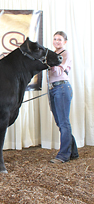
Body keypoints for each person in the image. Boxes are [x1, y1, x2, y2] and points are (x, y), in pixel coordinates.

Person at [48, 31, 79, 163]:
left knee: (64, 122)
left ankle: (63, 155)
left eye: (59, 39)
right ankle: (73, 152)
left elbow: (59, 70)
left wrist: (50, 63)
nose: (57, 41)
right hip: (53, 89)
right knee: (60, 122)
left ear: (65, 42)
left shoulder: (65, 54)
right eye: (55, 39)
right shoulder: (53, 54)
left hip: (62, 88)